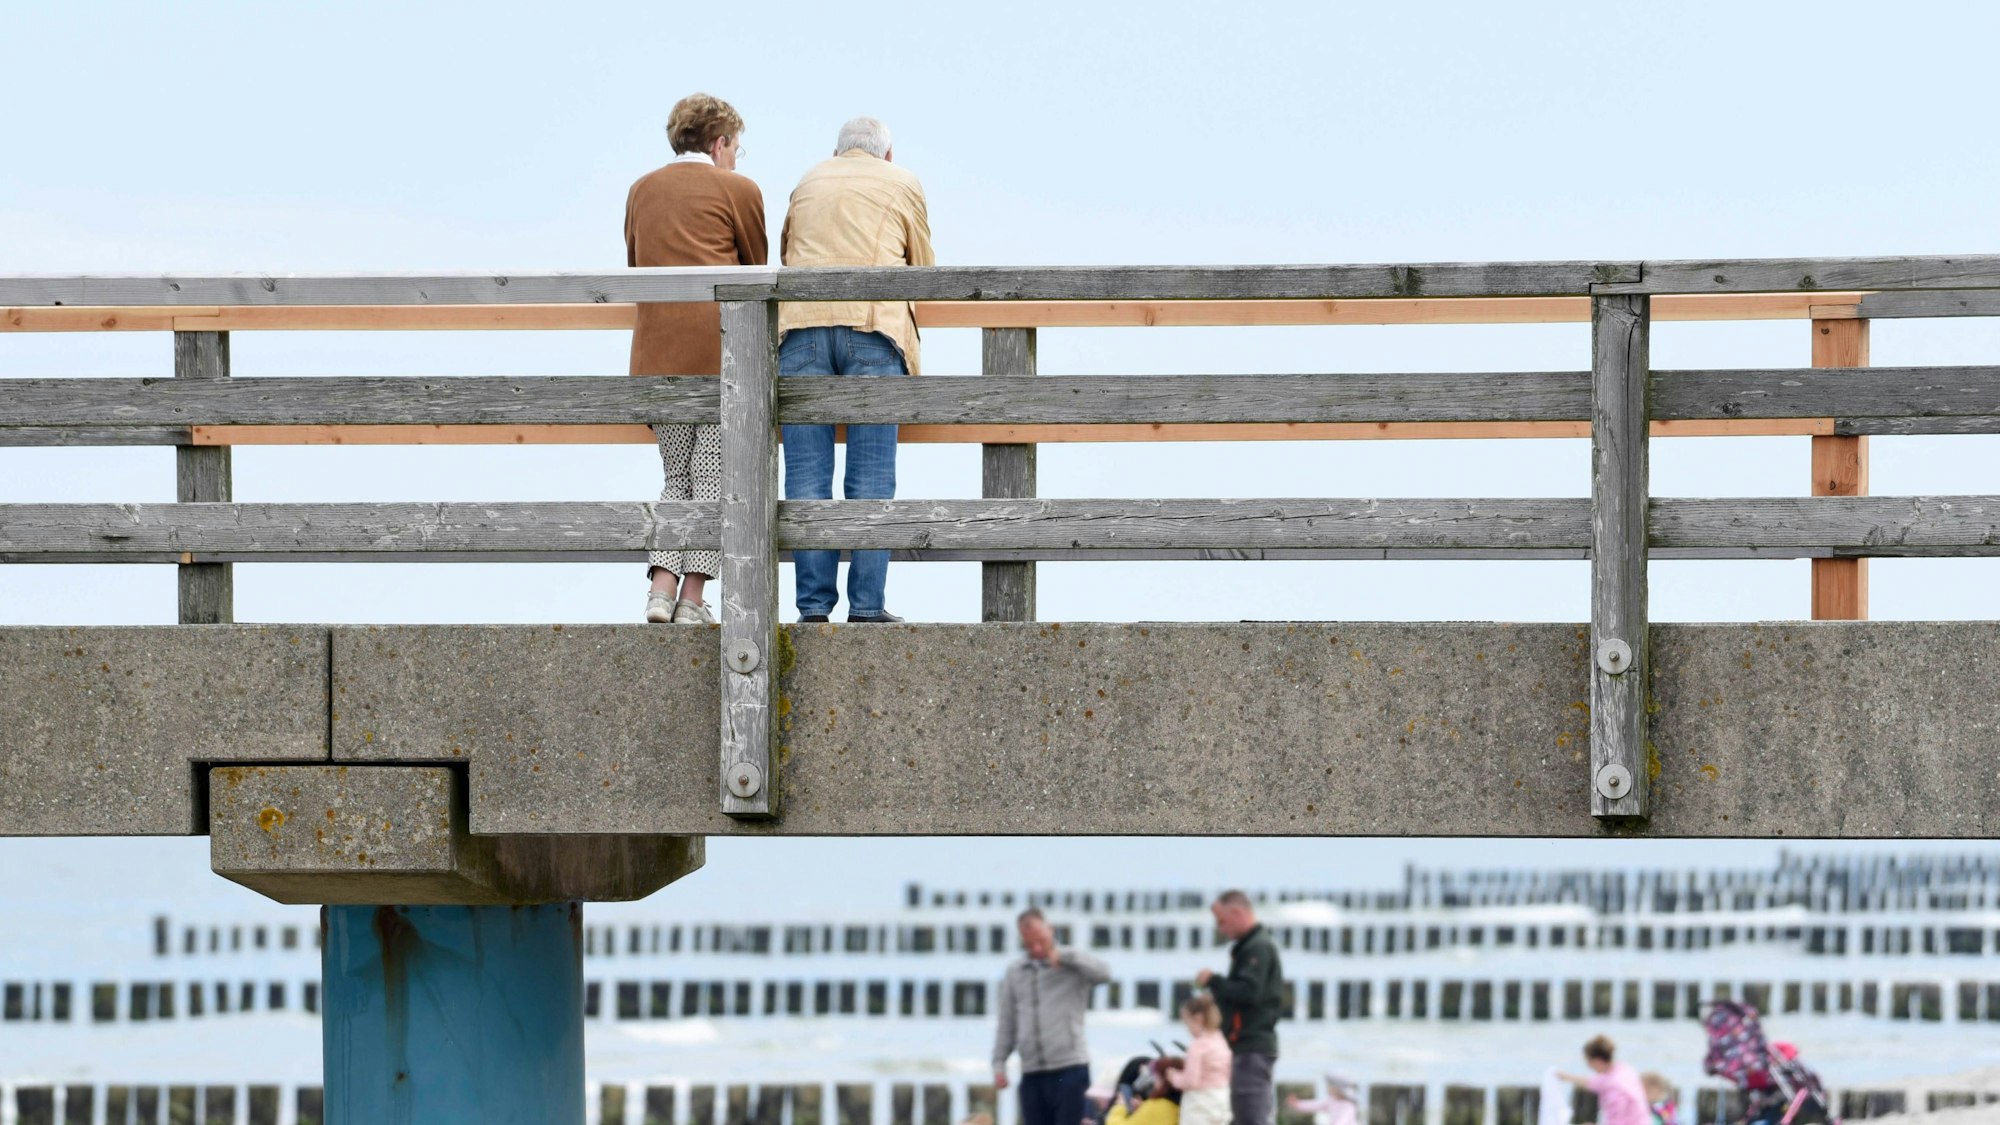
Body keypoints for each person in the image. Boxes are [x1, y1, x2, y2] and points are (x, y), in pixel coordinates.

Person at [776, 115, 934, 623]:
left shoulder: (807, 180)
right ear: (886, 154)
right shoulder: (902, 181)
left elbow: (785, 254)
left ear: (838, 152)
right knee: (870, 475)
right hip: (871, 329)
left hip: (800, 332)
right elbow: (925, 271)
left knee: (805, 475)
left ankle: (813, 608)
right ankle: (867, 607)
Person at [626, 93, 768, 625]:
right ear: (719, 141)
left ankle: (660, 593)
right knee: (713, 480)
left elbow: (636, 264)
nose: (736, 156)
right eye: (736, 146)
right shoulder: (738, 189)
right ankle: (691, 600)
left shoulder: (641, 191)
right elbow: (756, 271)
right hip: (718, 355)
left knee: (674, 477)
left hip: (656, 357)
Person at [993, 908, 1113, 1125]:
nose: (1037, 948)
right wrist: (999, 1062)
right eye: (1030, 944)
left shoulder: (1073, 963)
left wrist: (1067, 957)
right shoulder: (1016, 971)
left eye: (1041, 940)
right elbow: (1007, 1020)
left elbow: (1104, 974)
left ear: (1050, 930)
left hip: (1069, 1068)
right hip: (1032, 1071)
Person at [1195, 890, 1284, 1125]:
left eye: (1222, 921)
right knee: (1243, 1115)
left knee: (1250, 1117)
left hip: (1251, 1045)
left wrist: (1214, 981)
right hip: (1245, 1046)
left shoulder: (1258, 948)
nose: (1221, 929)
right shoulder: (1251, 946)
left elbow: (1249, 992)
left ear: (1237, 912)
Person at [1163, 995, 1232, 1125]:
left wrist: (1173, 1076)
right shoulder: (1220, 1039)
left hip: (1199, 1105)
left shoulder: (1197, 1046)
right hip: (1221, 1099)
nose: (1187, 1029)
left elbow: (1191, 1081)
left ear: (1197, 1019)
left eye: (1187, 1023)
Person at [1556, 1035, 1649, 1125]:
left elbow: (1618, 1121)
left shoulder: (1613, 1088)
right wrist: (1566, 1077)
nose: (1588, 1066)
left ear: (1597, 1061)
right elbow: (1594, 1082)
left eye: (1588, 1062)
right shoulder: (1625, 1070)